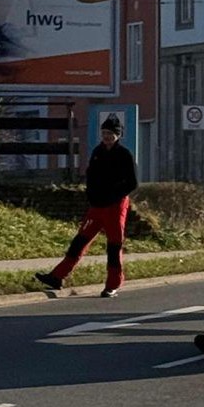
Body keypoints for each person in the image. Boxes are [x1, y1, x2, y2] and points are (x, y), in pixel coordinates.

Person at [36, 116, 139, 297]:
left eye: (110, 134)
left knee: (114, 246)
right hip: (97, 206)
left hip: (115, 206)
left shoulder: (124, 155)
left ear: (118, 135)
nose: (106, 137)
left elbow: (131, 183)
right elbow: (91, 175)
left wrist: (113, 195)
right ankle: (57, 276)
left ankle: (113, 284)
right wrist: (91, 195)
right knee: (79, 242)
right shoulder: (97, 152)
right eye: (104, 133)